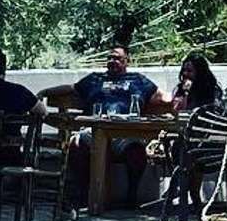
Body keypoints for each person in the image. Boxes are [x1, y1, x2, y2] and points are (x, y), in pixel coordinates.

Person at [43, 45, 171, 209]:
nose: (112, 61)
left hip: (125, 132)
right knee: (76, 145)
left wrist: (180, 97)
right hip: (94, 131)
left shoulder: (138, 80)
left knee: (136, 151)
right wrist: (44, 92)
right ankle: (84, 194)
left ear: (127, 61)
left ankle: (131, 197)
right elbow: (70, 88)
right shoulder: (95, 79)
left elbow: (164, 97)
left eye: (117, 58)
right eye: (110, 58)